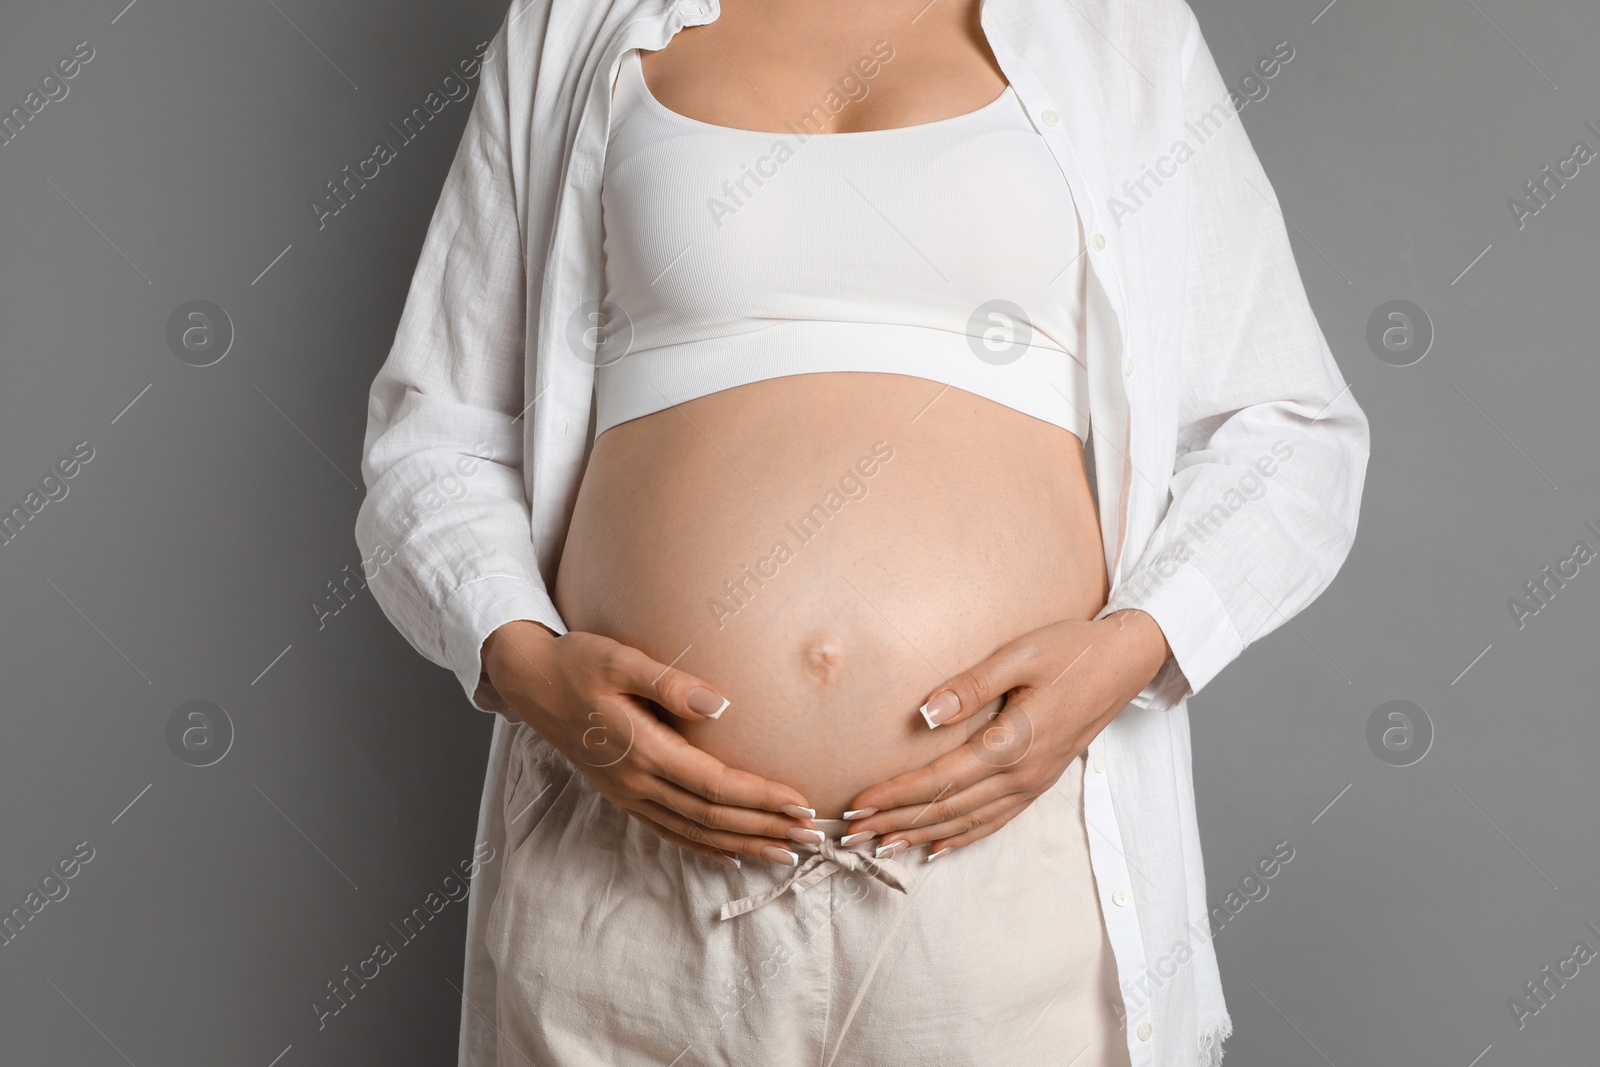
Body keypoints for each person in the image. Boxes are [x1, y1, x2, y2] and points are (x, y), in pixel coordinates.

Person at [354, 0, 1370, 1064]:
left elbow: (1288, 431)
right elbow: (435, 434)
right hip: (626, 881)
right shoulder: (579, 22)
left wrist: (1126, 656)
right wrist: (524, 664)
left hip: (1005, 888)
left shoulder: (1113, 28)